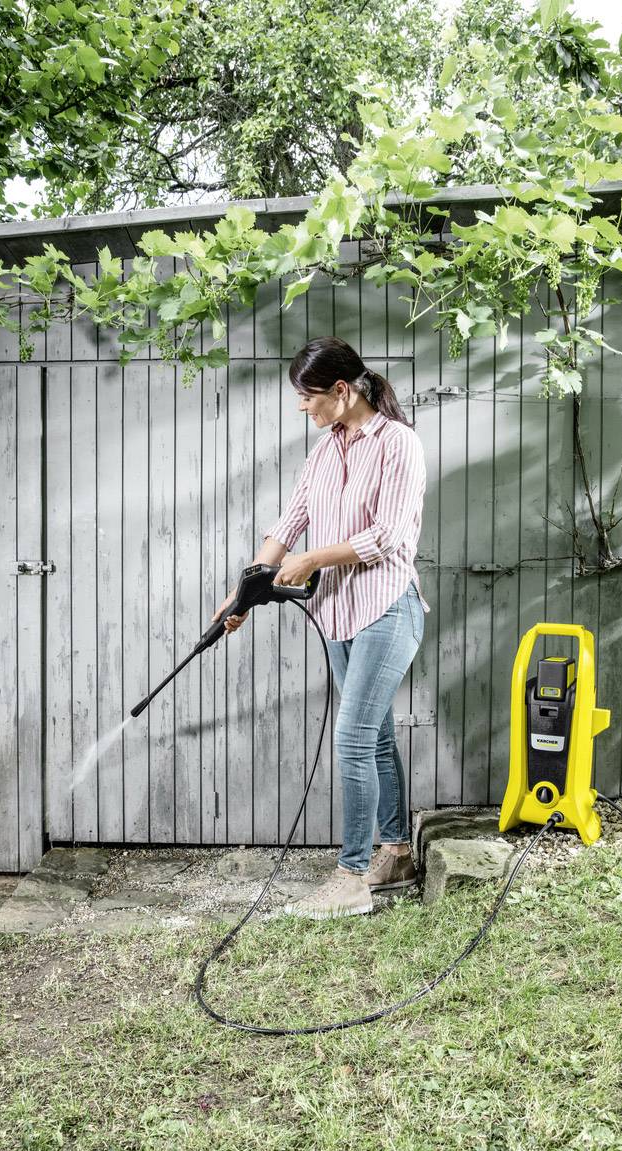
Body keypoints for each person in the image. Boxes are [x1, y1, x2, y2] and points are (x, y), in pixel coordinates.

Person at [210, 336, 430, 919]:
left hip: (387, 608)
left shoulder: (398, 444)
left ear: (340, 390)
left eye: (307, 396)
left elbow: (388, 537)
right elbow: (289, 522)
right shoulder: (325, 450)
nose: (301, 406)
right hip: (337, 612)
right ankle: (396, 854)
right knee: (375, 737)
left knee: (353, 738)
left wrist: (310, 560)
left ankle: (352, 878)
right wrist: (243, 590)